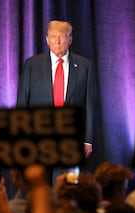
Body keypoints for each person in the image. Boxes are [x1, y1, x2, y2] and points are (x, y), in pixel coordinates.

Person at [17, 20, 96, 158]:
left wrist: (87, 140)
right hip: (38, 138)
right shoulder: (32, 65)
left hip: (71, 140)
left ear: (70, 40)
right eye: (53, 37)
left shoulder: (85, 66)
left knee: (65, 180)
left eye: (62, 37)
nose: (57, 41)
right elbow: (22, 102)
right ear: (47, 40)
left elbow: (89, 106)